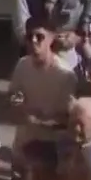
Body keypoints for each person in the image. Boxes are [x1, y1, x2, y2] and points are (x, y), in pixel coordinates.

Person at [8, 19, 76, 148]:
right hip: (26, 133)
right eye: (29, 37)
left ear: (51, 39)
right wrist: (17, 105)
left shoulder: (66, 75)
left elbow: (66, 116)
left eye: (39, 37)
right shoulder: (22, 65)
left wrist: (39, 121)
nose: (33, 41)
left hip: (53, 139)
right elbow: (14, 94)